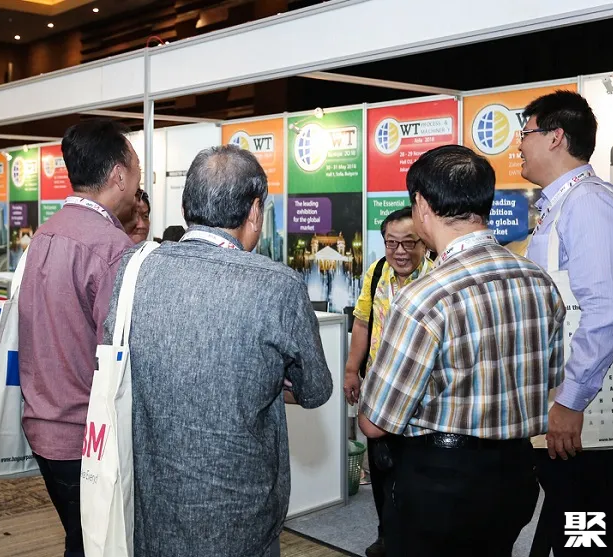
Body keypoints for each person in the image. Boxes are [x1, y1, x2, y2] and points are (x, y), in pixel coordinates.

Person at [103, 145, 333, 557]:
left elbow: (115, 362)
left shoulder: (135, 268)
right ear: (255, 211)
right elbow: (315, 390)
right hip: (243, 516)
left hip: (153, 506)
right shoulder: (278, 286)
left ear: (185, 207)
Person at [358, 144, 566, 557]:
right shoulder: (539, 281)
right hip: (517, 475)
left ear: (421, 205)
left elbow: (375, 422)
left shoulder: (424, 298)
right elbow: (553, 381)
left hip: (440, 484)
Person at [520, 90, 613, 557]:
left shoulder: (587, 203)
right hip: (574, 402)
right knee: (574, 525)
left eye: (526, 132)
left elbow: (606, 310)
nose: (519, 145)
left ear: (555, 137)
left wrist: (570, 401)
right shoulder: (564, 202)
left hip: (586, 409)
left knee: (595, 531)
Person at [18, 119, 139, 557]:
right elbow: (121, 352)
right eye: (137, 170)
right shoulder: (112, 248)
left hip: (42, 425)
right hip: (86, 437)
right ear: (119, 176)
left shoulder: (45, 233)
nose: (138, 182)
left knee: (82, 539)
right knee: (99, 544)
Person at [342, 206, 429, 557]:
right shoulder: (377, 272)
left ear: (424, 243)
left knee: (416, 472)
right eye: (392, 243)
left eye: (409, 243)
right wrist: (352, 369)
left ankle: (414, 539)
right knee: (381, 468)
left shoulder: (437, 275)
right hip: (379, 388)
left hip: (423, 394)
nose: (400, 252)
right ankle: (386, 534)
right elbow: (362, 322)